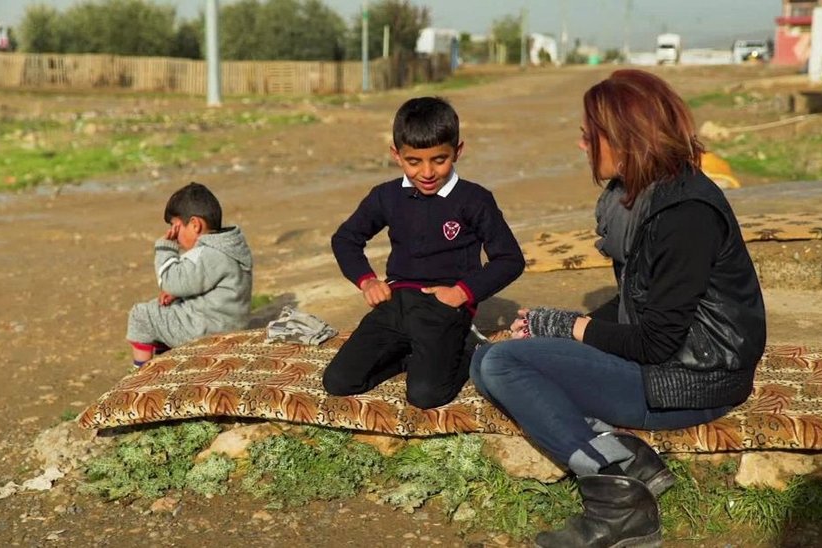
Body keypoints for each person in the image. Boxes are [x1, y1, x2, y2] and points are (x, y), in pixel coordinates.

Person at [470, 69, 766, 548]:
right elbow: (642, 302)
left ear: (628, 138)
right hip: (673, 363)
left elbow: (655, 341)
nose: (582, 145)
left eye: (591, 135)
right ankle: (632, 460)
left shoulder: (684, 215)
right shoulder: (638, 196)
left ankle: (617, 505)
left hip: (697, 379)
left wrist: (568, 326)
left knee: (505, 363)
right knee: (485, 361)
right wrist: (555, 329)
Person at [323, 96, 525, 409]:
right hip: (395, 301)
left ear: (457, 151)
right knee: (338, 382)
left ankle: (468, 348)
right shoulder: (386, 196)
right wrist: (366, 281)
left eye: (439, 160)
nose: (427, 172)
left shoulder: (474, 199)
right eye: (414, 161)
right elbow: (346, 239)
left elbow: (510, 259)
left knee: (425, 395)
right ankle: (412, 356)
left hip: (443, 307)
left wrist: (462, 293)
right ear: (396, 155)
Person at [126, 182, 253, 368]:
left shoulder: (208, 254)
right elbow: (202, 281)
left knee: (142, 315)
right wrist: (178, 292)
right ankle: (170, 365)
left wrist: (165, 248)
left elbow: (169, 281)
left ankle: (139, 378)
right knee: (166, 309)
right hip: (227, 324)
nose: (174, 235)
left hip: (207, 331)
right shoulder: (227, 247)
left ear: (194, 224)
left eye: (175, 227)